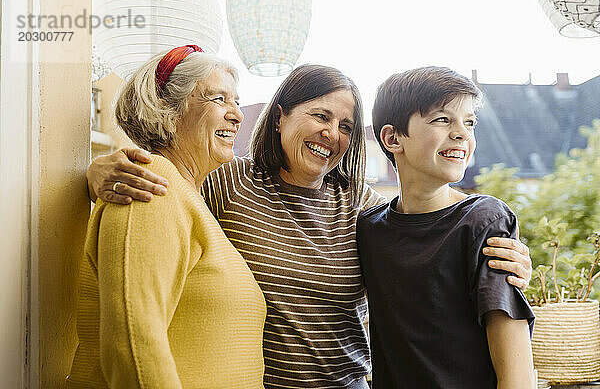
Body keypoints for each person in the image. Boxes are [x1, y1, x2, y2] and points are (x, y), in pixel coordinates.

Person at [86, 64, 533, 389]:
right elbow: (170, 200)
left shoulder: (362, 208)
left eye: (344, 125)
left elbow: (427, 236)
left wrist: (504, 265)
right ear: (280, 116)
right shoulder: (229, 183)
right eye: (320, 116)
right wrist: (92, 175)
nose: (332, 133)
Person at [67, 45, 266, 388]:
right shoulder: (150, 183)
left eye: (236, 101)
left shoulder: (191, 196)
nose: (237, 114)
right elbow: (133, 342)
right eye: (219, 99)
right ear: (169, 112)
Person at [357, 66, 535, 388]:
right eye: (442, 119)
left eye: (469, 122)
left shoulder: (485, 220)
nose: (461, 133)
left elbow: (517, 375)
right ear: (393, 137)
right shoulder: (369, 229)